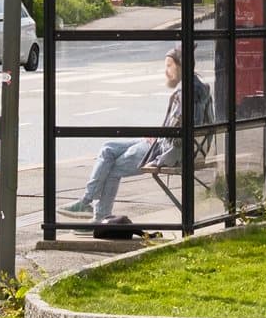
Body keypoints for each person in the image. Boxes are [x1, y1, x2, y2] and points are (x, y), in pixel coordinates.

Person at [60, 49, 212, 223]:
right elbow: (181, 128)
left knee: (113, 167)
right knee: (108, 148)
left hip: (165, 152)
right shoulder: (196, 87)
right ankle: (86, 203)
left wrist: (160, 137)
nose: (166, 71)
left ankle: (97, 215)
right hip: (167, 144)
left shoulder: (186, 93)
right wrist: (158, 135)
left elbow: (180, 134)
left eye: (169, 66)